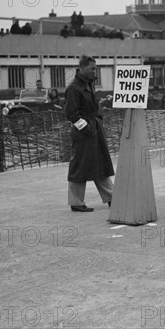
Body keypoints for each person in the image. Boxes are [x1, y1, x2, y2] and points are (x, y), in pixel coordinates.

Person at [64, 55, 114, 212]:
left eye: (95, 68)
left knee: (101, 163)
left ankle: (113, 197)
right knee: (80, 166)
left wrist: (97, 121)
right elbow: (71, 114)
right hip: (83, 133)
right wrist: (86, 129)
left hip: (94, 129)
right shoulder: (74, 88)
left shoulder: (89, 84)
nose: (95, 71)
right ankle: (76, 202)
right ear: (82, 67)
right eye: (92, 68)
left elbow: (94, 107)